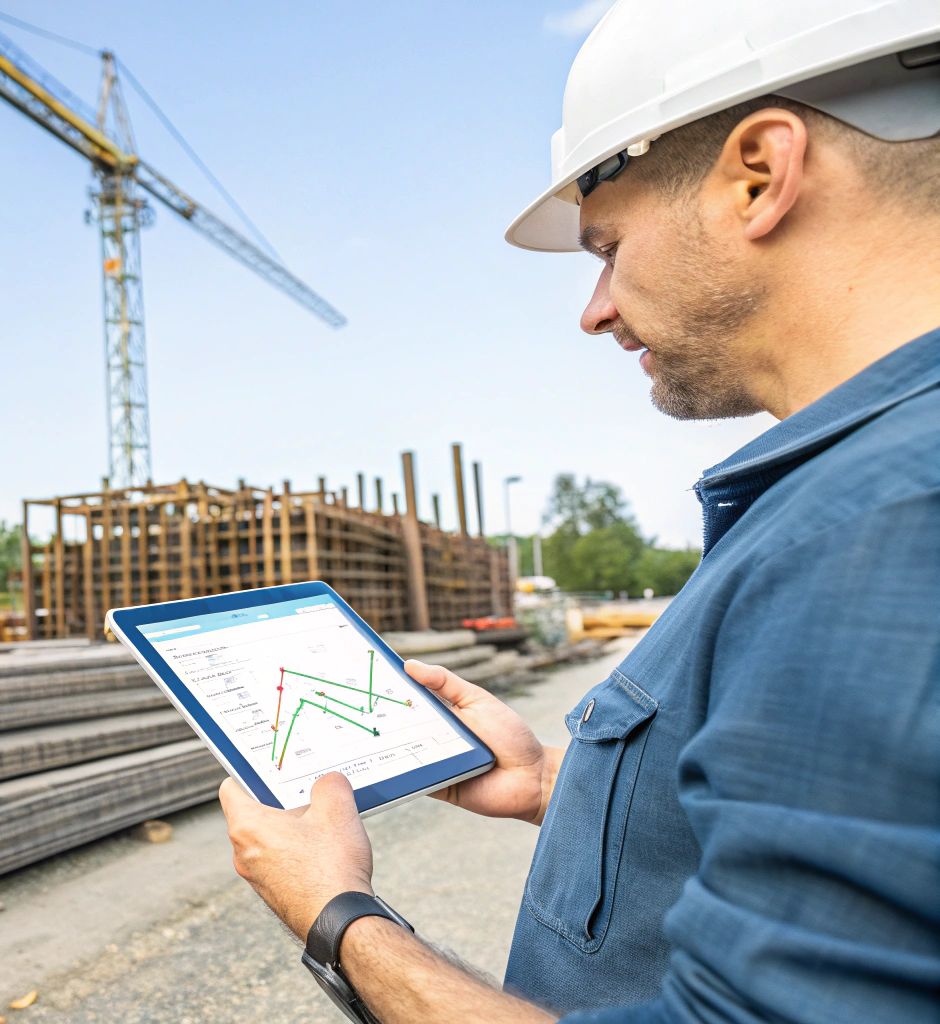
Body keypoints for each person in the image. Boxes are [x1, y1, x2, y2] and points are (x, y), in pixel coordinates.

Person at [219, 2, 940, 1021]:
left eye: (606, 245)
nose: (593, 307)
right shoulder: (858, 494)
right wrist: (556, 783)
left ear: (757, 175)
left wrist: (334, 913)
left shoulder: (881, 524)